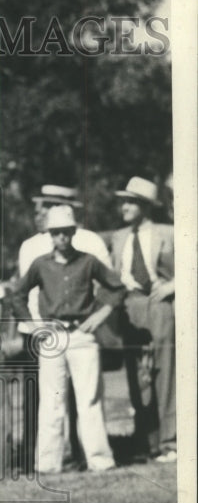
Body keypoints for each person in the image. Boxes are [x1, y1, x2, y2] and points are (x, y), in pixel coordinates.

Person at [10, 205, 124, 475]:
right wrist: (35, 325)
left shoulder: (88, 262)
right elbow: (17, 295)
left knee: (89, 401)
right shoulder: (40, 264)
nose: (62, 237)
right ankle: (48, 464)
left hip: (82, 335)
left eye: (66, 232)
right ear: (49, 234)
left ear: (74, 232)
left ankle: (100, 460)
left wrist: (100, 315)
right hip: (52, 336)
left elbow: (117, 288)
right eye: (56, 233)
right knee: (51, 401)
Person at [110, 176, 176, 462]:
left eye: (129, 202)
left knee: (166, 372)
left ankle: (170, 442)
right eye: (123, 201)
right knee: (137, 376)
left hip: (160, 305)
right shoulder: (118, 237)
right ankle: (145, 442)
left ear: (145, 206)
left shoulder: (168, 232)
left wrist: (173, 286)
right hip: (130, 308)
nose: (123, 207)